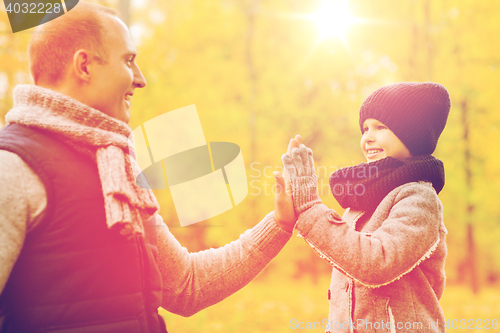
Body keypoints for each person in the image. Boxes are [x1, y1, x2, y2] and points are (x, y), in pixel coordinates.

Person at [0, 2, 297, 332]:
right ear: (84, 65)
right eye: (128, 61)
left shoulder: (119, 170)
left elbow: (187, 285)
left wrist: (279, 224)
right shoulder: (13, 167)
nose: (140, 80)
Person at [279, 82, 451, 332]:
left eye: (381, 127)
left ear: (413, 134)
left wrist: (310, 208)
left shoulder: (419, 198)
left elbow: (376, 262)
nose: (368, 137)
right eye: (365, 128)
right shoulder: (363, 198)